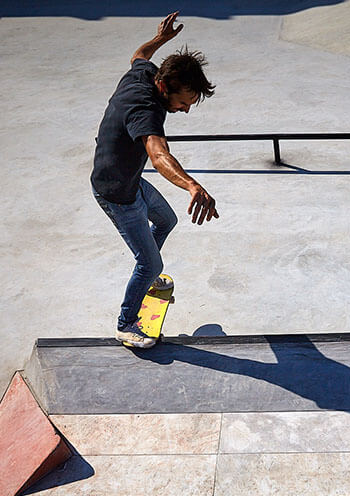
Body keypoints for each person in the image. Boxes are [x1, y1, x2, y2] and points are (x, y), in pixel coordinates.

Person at [91, 11, 218, 349]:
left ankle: (146, 277)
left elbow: (139, 55)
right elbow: (158, 154)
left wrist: (161, 39)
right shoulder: (144, 108)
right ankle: (126, 323)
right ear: (164, 87)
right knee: (151, 262)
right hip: (116, 191)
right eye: (182, 102)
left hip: (129, 179)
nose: (185, 110)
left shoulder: (146, 73)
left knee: (166, 220)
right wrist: (192, 184)